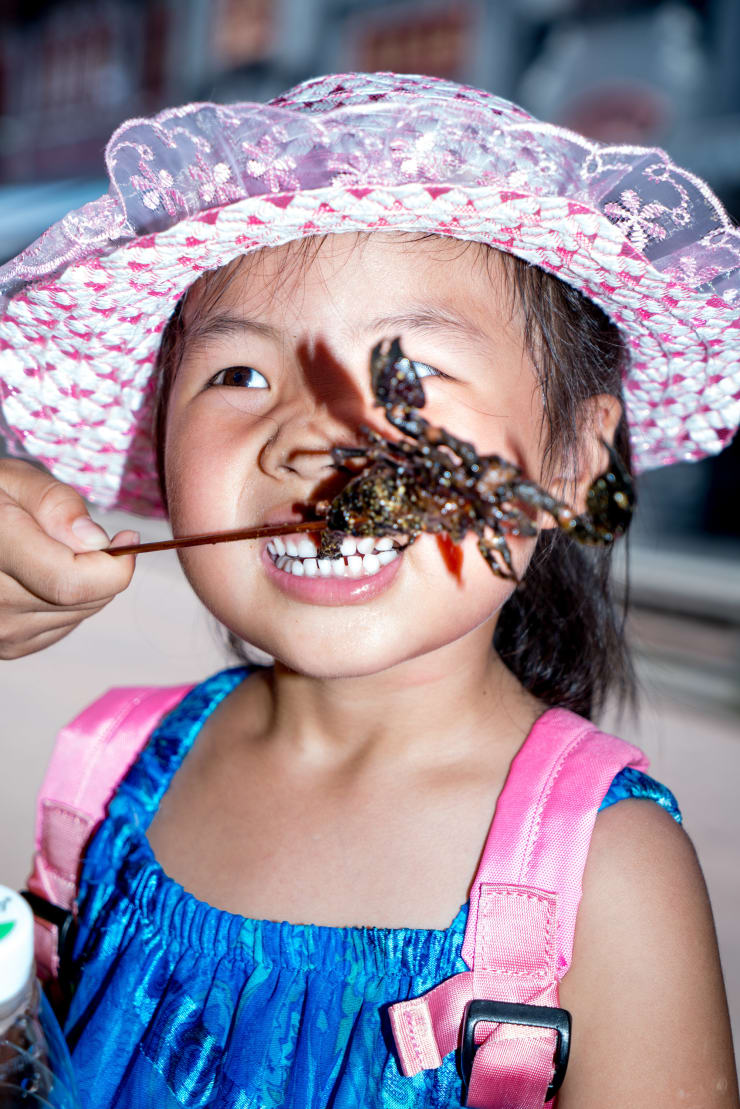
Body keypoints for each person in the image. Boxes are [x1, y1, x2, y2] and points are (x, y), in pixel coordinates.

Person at [0, 72, 738, 1108]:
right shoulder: (99, 771)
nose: (312, 437)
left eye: (411, 373)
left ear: (572, 457)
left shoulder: (608, 873)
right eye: (238, 376)